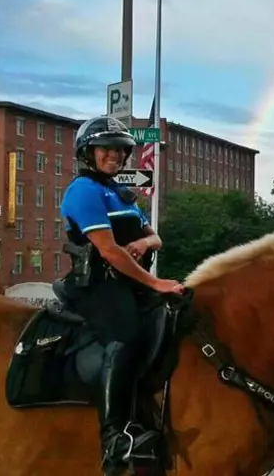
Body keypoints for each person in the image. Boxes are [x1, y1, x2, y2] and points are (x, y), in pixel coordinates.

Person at [59, 116, 184, 474]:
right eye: (106, 149)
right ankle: (115, 435)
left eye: (120, 150)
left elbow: (155, 237)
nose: (115, 156)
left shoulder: (121, 194)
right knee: (125, 334)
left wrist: (144, 243)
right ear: (88, 153)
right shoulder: (84, 190)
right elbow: (109, 252)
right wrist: (156, 283)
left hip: (130, 282)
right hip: (97, 285)